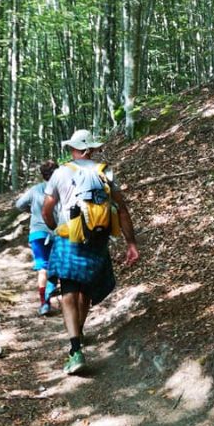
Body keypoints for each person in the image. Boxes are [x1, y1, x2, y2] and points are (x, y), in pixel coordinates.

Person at [42, 128, 139, 375]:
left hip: (68, 237)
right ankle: (80, 332)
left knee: (69, 289)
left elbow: (47, 208)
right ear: (92, 149)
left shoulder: (61, 173)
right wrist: (131, 243)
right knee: (85, 289)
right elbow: (122, 208)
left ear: (73, 149)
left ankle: (75, 349)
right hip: (97, 238)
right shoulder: (104, 171)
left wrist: (54, 227)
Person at [15, 160, 59, 316]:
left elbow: (19, 204)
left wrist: (32, 210)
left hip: (37, 233)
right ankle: (51, 295)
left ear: (42, 174)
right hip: (57, 232)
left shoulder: (35, 189)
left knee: (43, 268)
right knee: (57, 267)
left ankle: (44, 303)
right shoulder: (61, 189)